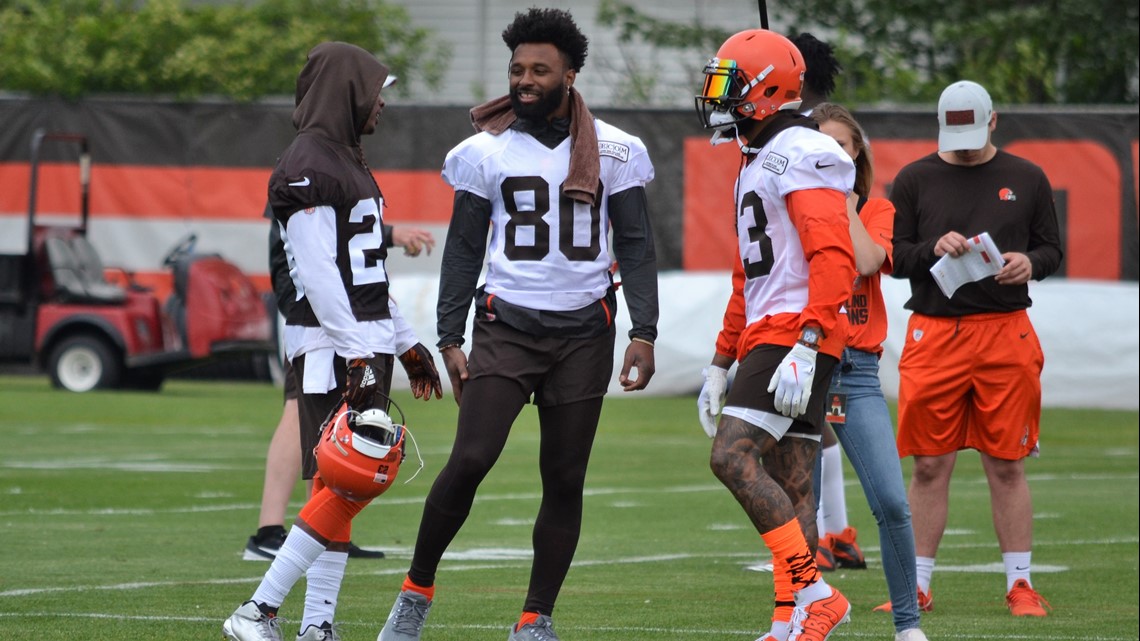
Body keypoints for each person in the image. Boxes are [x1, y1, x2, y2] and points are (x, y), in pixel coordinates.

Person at [377, 8, 659, 641]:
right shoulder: (484, 150)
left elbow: (637, 245)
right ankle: (415, 592)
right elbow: (463, 249)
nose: (525, 80)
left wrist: (646, 330)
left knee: (564, 476)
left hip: (586, 331)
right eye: (517, 69)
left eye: (539, 70)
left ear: (570, 75)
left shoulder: (618, 149)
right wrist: (450, 336)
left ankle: (536, 617)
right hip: (505, 326)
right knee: (472, 456)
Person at [223, 41, 443, 641]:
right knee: (346, 481)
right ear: (347, 92)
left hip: (359, 341)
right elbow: (320, 276)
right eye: (376, 93)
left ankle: (316, 624)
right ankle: (258, 610)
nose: (381, 106)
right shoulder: (310, 161)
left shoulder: (344, 159)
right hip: (331, 348)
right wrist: (356, 352)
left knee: (338, 488)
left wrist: (405, 343)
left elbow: (365, 273)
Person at [694, 29, 856, 641]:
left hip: (794, 330)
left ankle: (816, 594)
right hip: (772, 326)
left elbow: (833, 254)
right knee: (794, 480)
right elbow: (746, 275)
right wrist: (719, 359)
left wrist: (810, 341)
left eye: (727, 85)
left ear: (764, 90)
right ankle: (791, 623)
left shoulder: (798, 150)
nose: (717, 97)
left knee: (731, 456)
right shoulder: (757, 158)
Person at [888, 79, 1062, 617]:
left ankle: (1020, 584)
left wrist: (1030, 264)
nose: (961, 145)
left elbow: (1052, 247)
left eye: (971, 131)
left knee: (1006, 463)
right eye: (952, 133)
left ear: (993, 121)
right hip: (934, 333)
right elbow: (893, 256)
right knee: (928, 465)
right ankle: (916, 586)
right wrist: (928, 249)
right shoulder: (915, 178)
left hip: (1005, 329)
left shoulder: (1027, 176)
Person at [243, 218, 435, 563]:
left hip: (346, 312)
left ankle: (322, 531)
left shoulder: (342, 173)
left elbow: (347, 227)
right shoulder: (309, 172)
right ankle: (276, 535)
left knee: (332, 427)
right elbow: (322, 236)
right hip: (322, 317)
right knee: (311, 420)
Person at [810, 102, 928, 641]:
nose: (829, 151)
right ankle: (798, 613)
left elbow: (863, 262)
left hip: (854, 370)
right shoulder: (789, 204)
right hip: (799, 363)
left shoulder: (875, 210)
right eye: (818, 142)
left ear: (857, 152)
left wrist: (843, 203)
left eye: (840, 144)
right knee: (794, 503)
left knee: (891, 501)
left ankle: (907, 625)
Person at [788, 31, 865, 573]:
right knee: (813, 426)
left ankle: (817, 542)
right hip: (804, 303)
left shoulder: (801, 139)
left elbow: (847, 256)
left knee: (789, 432)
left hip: (813, 313)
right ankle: (833, 533)